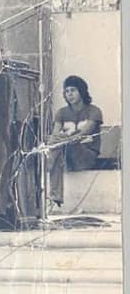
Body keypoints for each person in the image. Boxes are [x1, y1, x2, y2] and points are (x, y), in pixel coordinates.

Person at [46, 75, 103, 206]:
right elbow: (55, 135)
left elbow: (84, 133)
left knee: (61, 145)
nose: (69, 94)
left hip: (86, 157)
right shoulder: (61, 112)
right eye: (67, 91)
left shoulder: (94, 111)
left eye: (73, 90)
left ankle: (55, 195)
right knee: (55, 144)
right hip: (66, 157)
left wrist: (64, 138)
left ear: (81, 91)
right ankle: (56, 195)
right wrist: (58, 139)